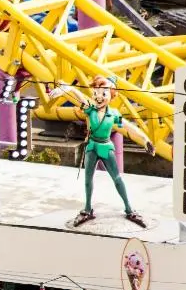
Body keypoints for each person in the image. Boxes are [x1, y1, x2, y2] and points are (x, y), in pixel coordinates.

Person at [48, 78, 154, 228]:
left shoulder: (114, 114)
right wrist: (68, 89)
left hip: (106, 147)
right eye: (96, 93)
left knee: (117, 179)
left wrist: (145, 140)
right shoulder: (90, 108)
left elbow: (129, 127)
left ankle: (129, 209)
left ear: (111, 95)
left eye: (103, 93)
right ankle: (87, 209)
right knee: (88, 180)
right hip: (92, 147)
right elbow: (79, 97)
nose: (99, 96)